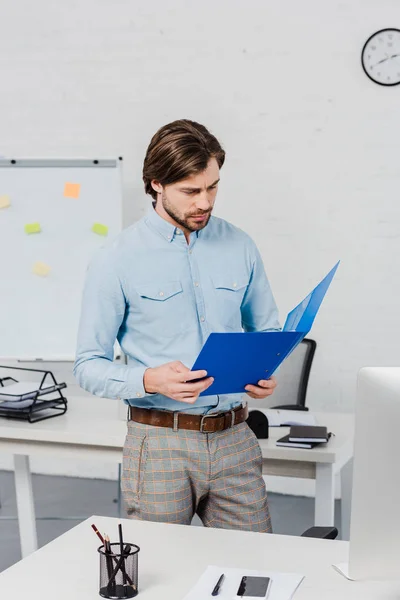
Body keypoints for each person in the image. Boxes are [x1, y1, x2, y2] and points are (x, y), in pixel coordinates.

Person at [74, 119, 281, 532]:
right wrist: (149, 379)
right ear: (156, 184)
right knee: (159, 572)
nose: (205, 202)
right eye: (191, 191)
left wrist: (265, 370)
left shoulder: (240, 245)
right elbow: (87, 365)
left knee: (258, 570)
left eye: (213, 187)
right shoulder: (115, 258)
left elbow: (267, 333)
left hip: (235, 437)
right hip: (159, 444)